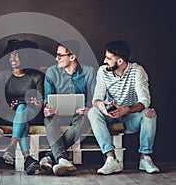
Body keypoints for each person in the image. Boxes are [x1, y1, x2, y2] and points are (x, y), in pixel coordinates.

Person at [88, 40, 159, 174]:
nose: (104, 61)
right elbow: (96, 98)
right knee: (93, 112)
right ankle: (111, 159)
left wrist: (127, 109)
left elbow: (145, 100)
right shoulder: (103, 71)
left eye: (108, 58)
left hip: (129, 117)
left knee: (149, 113)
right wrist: (102, 106)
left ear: (120, 61)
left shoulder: (137, 71)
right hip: (109, 115)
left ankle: (145, 158)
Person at [40, 40, 96, 176]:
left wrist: (88, 109)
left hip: (79, 114)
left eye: (60, 55)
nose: (56, 58)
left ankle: (49, 157)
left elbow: (95, 99)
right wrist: (47, 108)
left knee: (83, 120)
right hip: (58, 113)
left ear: (72, 56)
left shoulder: (89, 72)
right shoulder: (52, 72)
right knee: (48, 119)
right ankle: (62, 159)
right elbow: (48, 99)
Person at [0, 39, 44, 175]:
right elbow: (0, 104)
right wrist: (11, 106)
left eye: (17, 55)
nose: (13, 58)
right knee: (21, 111)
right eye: (11, 55)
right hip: (11, 115)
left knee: (22, 108)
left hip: (34, 114)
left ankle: (12, 145)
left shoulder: (36, 76)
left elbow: (40, 102)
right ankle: (28, 158)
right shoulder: (3, 77)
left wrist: (35, 103)